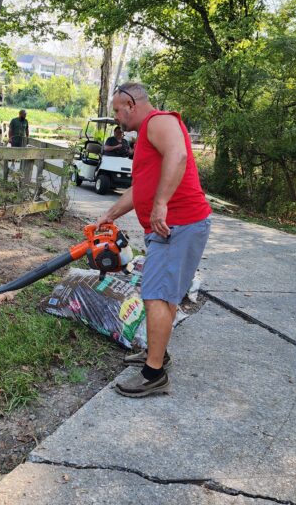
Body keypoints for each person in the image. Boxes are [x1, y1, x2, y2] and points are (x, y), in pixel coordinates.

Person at [96, 82, 212, 398]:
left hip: (179, 224)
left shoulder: (160, 122)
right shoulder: (147, 133)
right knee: (164, 294)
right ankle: (157, 354)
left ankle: (154, 373)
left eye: (117, 111)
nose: (117, 118)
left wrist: (161, 204)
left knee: (157, 295)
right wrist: (110, 215)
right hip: (170, 228)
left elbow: (179, 154)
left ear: (131, 104)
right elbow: (140, 188)